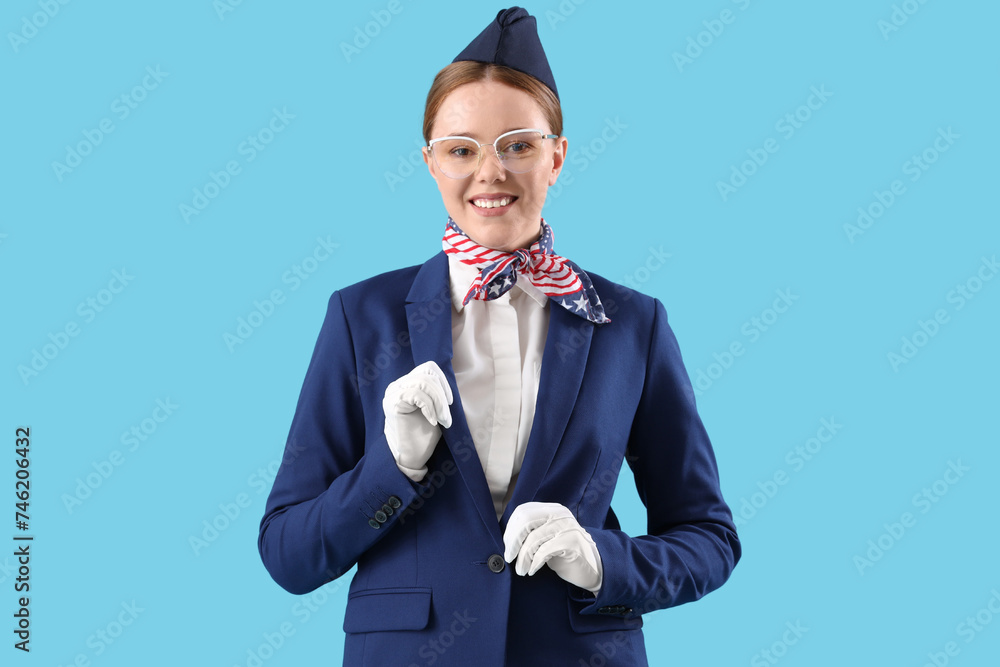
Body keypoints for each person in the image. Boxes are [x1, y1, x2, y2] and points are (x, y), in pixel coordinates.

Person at [258, 7, 740, 666]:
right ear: (430, 163)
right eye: (462, 148)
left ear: (557, 156)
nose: (491, 172)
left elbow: (708, 537)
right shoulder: (358, 316)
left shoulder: (633, 323)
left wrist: (602, 559)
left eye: (518, 143)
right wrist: (390, 467)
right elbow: (288, 553)